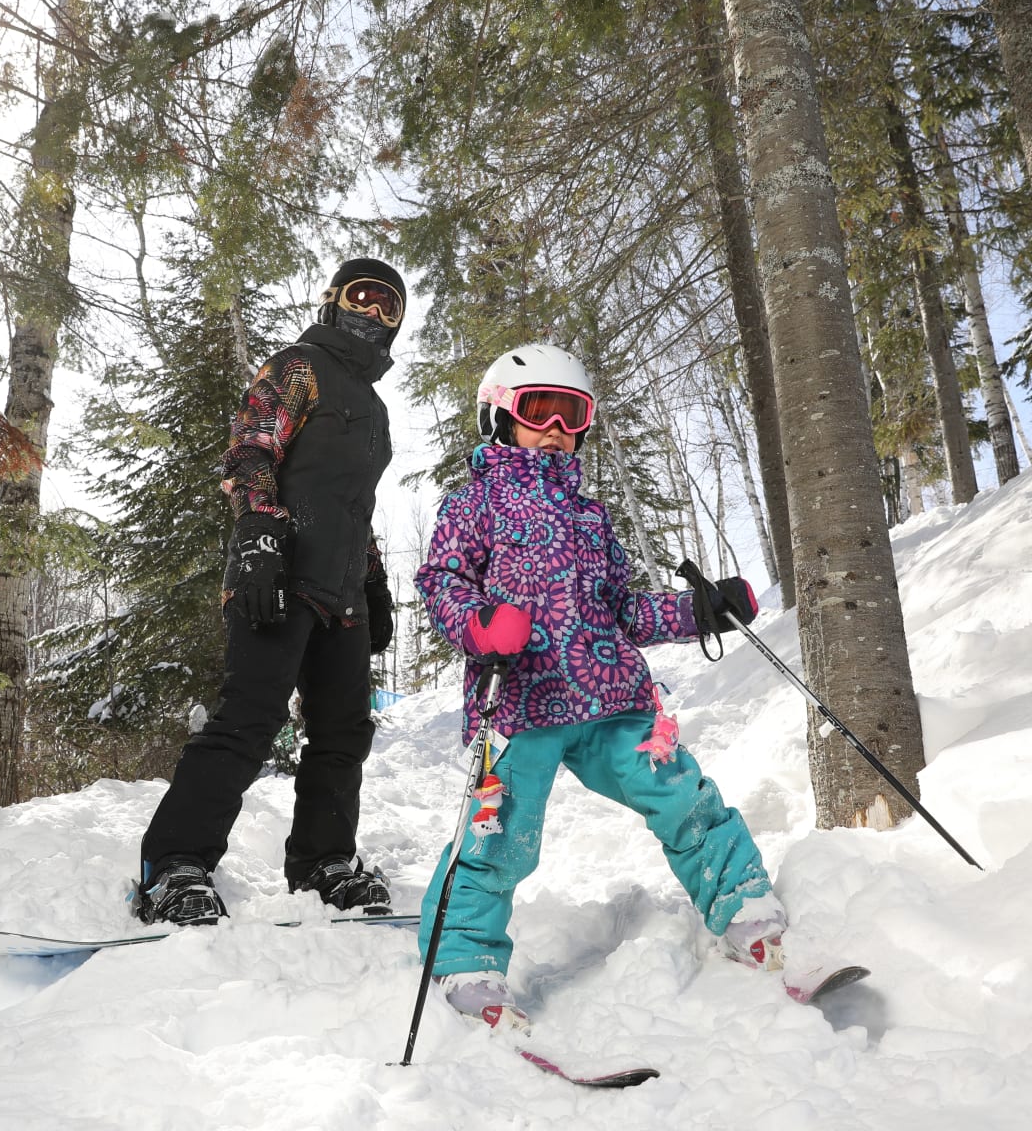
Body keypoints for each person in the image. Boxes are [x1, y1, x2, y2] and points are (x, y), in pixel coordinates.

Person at [413, 342, 786, 1029]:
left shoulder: (591, 516)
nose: (557, 428)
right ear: (500, 415)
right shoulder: (474, 504)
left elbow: (623, 610)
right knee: (499, 836)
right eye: (539, 410)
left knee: (681, 794)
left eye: (572, 413)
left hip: (612, 697)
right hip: (520, 702)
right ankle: (464, 959)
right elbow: (441, 582)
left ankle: (743, 903)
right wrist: (479, 623)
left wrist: (699, 610)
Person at [134, 258, 406, 926]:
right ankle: (175, 865)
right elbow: (251, 449)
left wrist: (372, 578)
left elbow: (353, 505)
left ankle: (323, 864)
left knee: (343, 734)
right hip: (279, 570)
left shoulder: (375, 407)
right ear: (334, 300)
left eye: (389, 306)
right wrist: (258, 533)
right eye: (364, 297)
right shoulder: (299, 366)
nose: (374, 313)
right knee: (249, 719)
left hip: (342, 590)